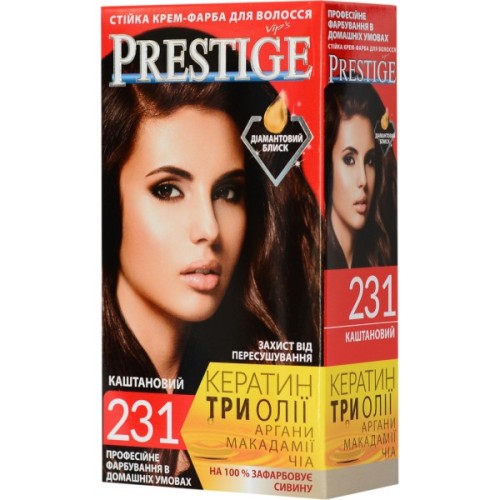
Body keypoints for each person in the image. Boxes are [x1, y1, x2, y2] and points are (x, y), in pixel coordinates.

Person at [102, 28, 321, 481]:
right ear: (106, 202)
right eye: (167, 190)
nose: (209, 229)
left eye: (227, 192)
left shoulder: (250, 394)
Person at [324, 81, 397, 269]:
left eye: (370, 161)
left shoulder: (381, 258)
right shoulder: (311, 263)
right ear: (326, 166)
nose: (363, 180)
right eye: (349, 159)